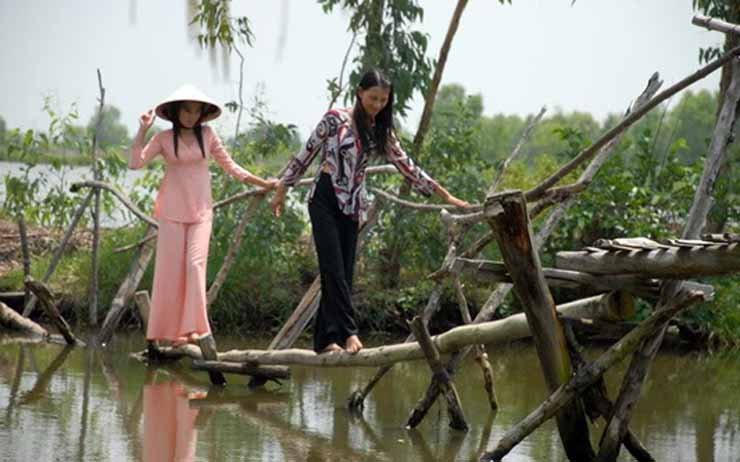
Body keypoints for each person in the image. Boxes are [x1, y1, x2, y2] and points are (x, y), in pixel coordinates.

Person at [271, 69, 470, 354]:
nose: (377, 104)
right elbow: (307, 153)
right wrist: (282, 188)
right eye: (373, 97)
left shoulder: (381, 131)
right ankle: (349, 333)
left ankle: (325, 341)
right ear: (359, 93)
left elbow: (408, 167)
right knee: (333, 269)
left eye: (383, 100)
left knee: (344, 272)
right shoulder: (335, 119)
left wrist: (446, 195)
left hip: (352, 206)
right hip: (324, 199)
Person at [129, 84, 277, 347]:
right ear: (176, 111)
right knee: (170, 271)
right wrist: (142, 129)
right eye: (186, 110)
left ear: (202, 114)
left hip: (200, 212)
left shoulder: (208, 135)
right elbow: (135, 163)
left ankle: (195, 329)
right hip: (172, 212)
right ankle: (171, 334)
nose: (191, 116)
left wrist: (263, 183)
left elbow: (232, 167)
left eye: (196, 111)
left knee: (195, 266)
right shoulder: (163, 138)